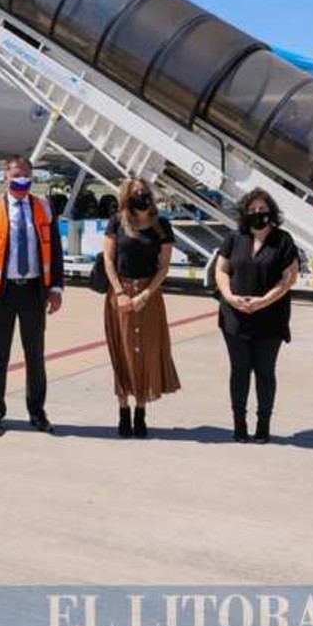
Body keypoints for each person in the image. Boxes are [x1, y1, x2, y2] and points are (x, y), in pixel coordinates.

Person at [0, 156, 64, 436]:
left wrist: (56, 288)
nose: (21, 181)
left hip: (34, 291)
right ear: (5, 178)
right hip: (2, 292)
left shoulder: (44, 207)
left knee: (35, 355)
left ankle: (37, 412)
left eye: (26, 176)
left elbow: (55, 250)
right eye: (16, 176)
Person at [214, 188, 299, 443]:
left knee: (264, 371)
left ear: (271, 212)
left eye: (262, 210)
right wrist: (229, 297)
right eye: (252, 210)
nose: (257, 214)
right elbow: (221, 270)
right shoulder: (234, 238)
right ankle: (239, 424)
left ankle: (263, 425)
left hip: (270, 316)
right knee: (239, 370)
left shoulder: (283, 240)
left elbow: (289, 278)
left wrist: (264, 301)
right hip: (235, 316)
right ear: (244, 213)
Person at [101, 177, 180, 438]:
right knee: (122, 351)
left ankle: (140, 410)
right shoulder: (117, 221)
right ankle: (123, 409)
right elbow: (108, 260)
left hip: (149, 293)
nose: (141, 196)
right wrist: (121, 293)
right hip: (120, 292)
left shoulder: (161, 225)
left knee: (146, 351)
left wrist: (147, 293)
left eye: (145, 192)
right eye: (136, 193)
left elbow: (164, 267)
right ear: (126, 196)